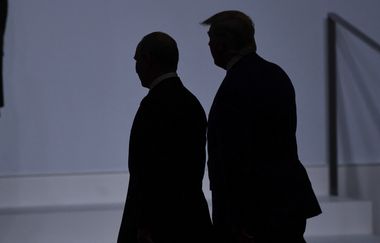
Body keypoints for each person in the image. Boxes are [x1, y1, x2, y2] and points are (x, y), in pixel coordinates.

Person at [202, 11, 322, 243]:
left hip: (256, 213)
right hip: (286, 201)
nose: (209, 45)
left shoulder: (236, 85)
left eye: (211, 38)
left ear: (224, 42)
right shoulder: (275, 74)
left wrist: (239, 218)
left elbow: (235, 156)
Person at [117, 32, 212, 243]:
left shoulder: (152, 106)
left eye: (137, 59)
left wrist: (143, 223)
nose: (136, 67)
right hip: (191, 220)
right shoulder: (192, 103)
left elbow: (145, 171)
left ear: (148, 59)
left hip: (158, 226)